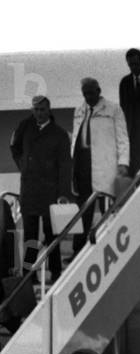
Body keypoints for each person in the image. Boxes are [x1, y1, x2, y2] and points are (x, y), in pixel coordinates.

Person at [9, 96, 72, 284]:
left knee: (52, 234)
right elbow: (14, 146)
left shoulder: (59, 134)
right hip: (29, 190)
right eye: (36, 109)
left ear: (49, 110)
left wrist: (63, 193)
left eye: (42, 109)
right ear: (32, 110)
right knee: (30, 237)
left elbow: (65, 166)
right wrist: (23, 166)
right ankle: (29, 276)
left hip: (50, 191)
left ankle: (56, 273)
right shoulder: (25, 126)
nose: (39, 113)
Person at [70, 79, 128, 253]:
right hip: (82, 165)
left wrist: (123, 162)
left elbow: (123, 138)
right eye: (85, 94)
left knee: (107, 209)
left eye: (90, 93)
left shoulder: (113, 109)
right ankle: (78, 251)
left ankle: (110, 247)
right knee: (83, 211)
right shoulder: (79, 110)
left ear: (98, 91)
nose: (87, 97)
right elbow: (76, 137)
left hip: (104, 165)